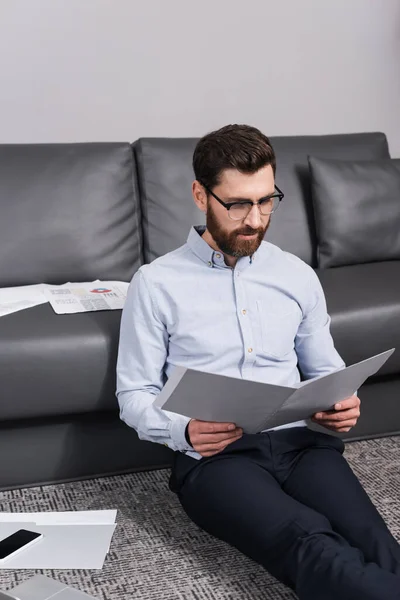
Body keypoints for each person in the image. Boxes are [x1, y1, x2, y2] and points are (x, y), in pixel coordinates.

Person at [116, 124, 400, 599]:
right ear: (200, 195)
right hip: (216, 460)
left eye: (267, 200)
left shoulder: (295, 275)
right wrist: (182, 430)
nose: (255, 219)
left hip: (304, 443)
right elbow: (134, 394)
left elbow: (324, 367)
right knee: (309, 542)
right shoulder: (155, 283)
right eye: (238, 204)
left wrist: (341, 400)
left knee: (378, 543)